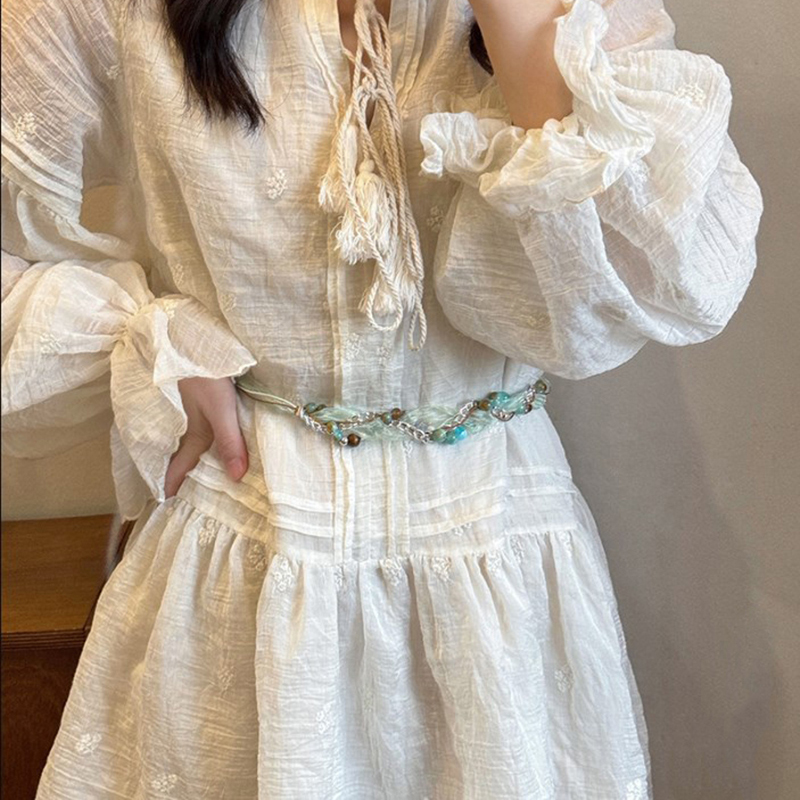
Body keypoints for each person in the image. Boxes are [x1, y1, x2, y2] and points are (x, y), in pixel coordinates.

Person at [1, 0, 762, 797]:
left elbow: (659, 283)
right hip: (241, 570)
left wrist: (522, 27)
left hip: (500, 589)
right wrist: (151, 338)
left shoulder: (580, 14)